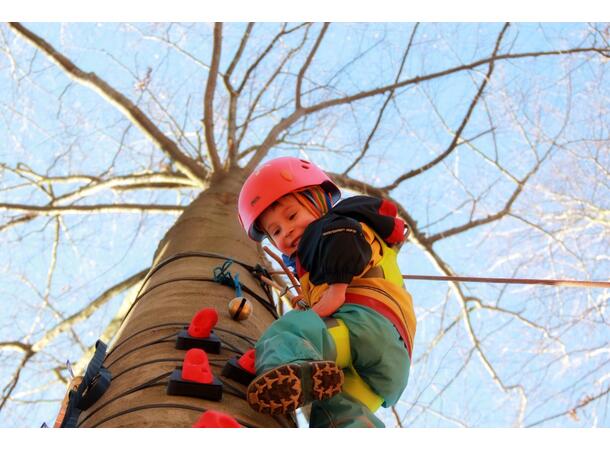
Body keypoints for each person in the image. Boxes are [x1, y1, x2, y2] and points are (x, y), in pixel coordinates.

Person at [237, 156, 416, 427]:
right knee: (332, 412)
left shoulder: (335, 224)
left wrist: (336, 290)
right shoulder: (316, 258)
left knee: (287, 332)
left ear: (318, 202)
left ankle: (288, 366)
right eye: (276, 231)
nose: (287, 231)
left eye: (292, 215)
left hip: (362, 326)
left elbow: (345, 239)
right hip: (385, 364)